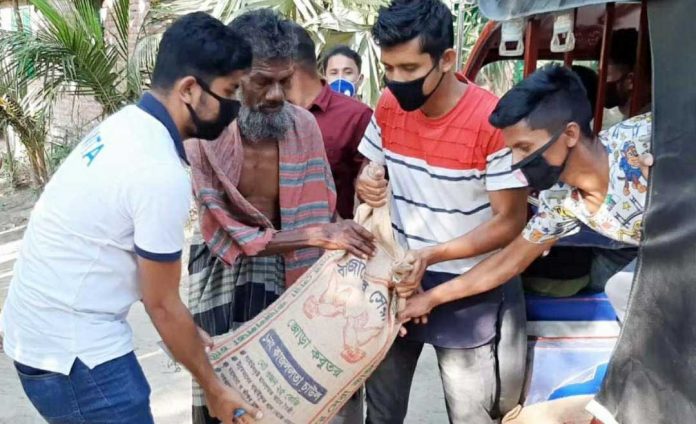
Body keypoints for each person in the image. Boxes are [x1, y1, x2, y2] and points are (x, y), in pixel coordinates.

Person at [0, 13, 262, 424]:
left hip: (39, 335)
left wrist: (186, 334)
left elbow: (141, 274)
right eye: (230, 92)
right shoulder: (157, 169)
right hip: (76, 357)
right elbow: (161, 303)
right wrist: (215, 390)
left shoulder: (126, 126)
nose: (235, 106)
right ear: (190, 89)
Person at [185, 9, 376, 424]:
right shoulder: (204, 133)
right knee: (226, 393)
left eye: (284, 81)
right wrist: (315, 235)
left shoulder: (303, 126)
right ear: (234, 76)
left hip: (293, 273)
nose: (275, 95)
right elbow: (223, 230)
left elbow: (321, 207)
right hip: (223, 270)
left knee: (294, 395)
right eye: (261, 82)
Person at [355, 1, 529, 422]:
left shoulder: (492, 121)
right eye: (389, 68)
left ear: (447, 60)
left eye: (410, 69)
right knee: (381, 411)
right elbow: (369, 169)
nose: (397, 81)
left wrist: (432, 255)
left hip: (468, 286)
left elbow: (510, 221)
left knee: (470, 412)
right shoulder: (389, 106)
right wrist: (367, 182)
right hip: (396, 280)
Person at [399, 64, 653, 331]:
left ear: (569, 134)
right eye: (512, 150)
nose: (516, 162)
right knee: (625, 290)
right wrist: (430, 299)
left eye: (524, 148)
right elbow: (510, 260)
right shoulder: (561, 202)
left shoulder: (645, 140)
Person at [285, 23, 372, 220]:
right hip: (276, 240)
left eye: (348, 72)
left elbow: (370, 192)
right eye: (334, 72)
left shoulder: (357, 115)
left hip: (335, 242)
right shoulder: (269, 113)